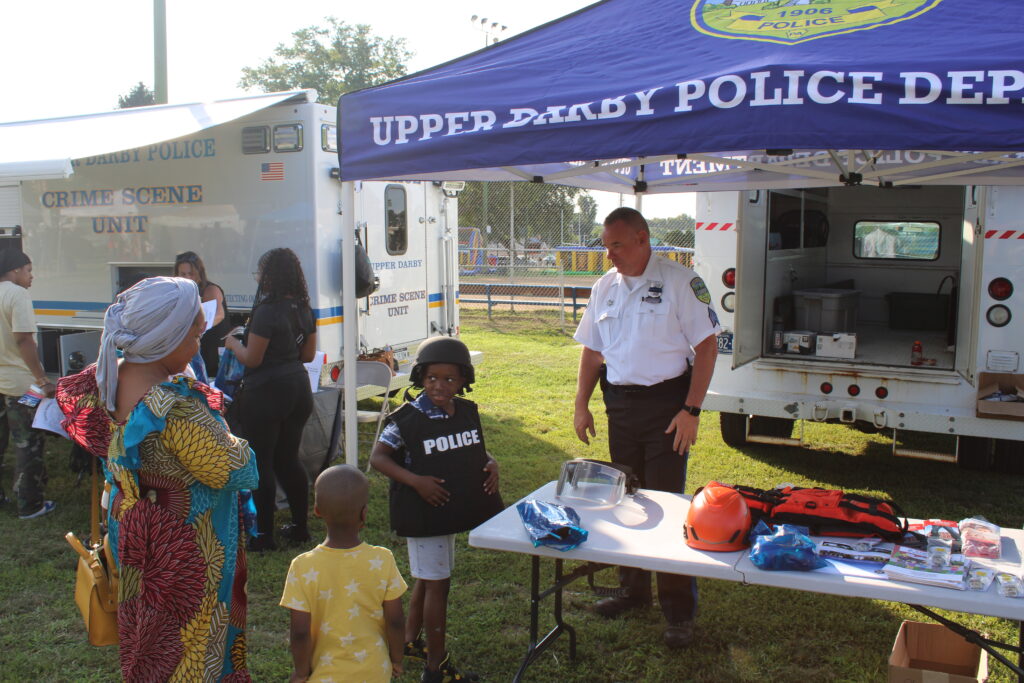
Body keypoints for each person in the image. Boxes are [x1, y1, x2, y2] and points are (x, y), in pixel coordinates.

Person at [55, 276, 259, 681]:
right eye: (196, 334)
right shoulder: (176, 406)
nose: (200, 342)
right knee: (191, 648)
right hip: (185, 551)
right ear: (168, 339)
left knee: (149, 644)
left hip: (133, 535)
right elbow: (239, 468)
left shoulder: (104, 381)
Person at [572, 207, 720, 649]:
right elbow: (592, 354)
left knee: (669, 504)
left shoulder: (679, 282)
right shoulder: (605, 287)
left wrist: (691, 410)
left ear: (642, 238)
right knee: (625, 500)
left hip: (666, 408)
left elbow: (708, 347)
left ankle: (678, 610)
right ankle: (632, 591)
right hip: (620, 406)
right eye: (606, 245)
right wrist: (581, 405)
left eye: (616, 245)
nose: (609, 254)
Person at [369, 336, 501, 683]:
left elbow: (470, 450)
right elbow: (378, 458)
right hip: (424, 513)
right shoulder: (407, 420)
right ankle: (435, 667)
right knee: (438, 585)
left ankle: (411, 641)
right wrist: (415, 481)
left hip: (448, 510)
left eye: (449, 379)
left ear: (463, 381)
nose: (439, 386)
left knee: (429, 581)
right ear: (420, 378)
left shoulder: (465, 411)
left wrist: (491, 463)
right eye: (431, 378)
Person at [224, 247, 316, 551]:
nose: (258, 279)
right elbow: (308, 355)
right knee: (289, 459)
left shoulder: (266, 311)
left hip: (266, 392)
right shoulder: (303, 308)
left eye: (260, 272)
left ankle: (264, 536)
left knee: (261, 461)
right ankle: (300, 527)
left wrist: (232, 343)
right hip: (298, 388)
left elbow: (252, 358)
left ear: (270, 275)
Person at [280, 464, 407, 682]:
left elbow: (300, 632)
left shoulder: (302, 566)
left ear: (317, 510)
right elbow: (395, 620)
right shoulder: (382, 559)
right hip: (375, 671)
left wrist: (301, 673)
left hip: (325, 675)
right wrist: (396, 659)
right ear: (364, 512)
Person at [0, 249, 55, 519]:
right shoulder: (17, 294)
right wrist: (42, 379)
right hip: (24, 386)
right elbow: (24, 340)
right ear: (15, 270)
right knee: (27, 443)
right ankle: (30, 505)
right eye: (29, 270)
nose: (31, 276)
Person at [174, 251, 231, 377]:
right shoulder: (178, 292)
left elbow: (219, 314)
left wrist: (200, 327)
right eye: (183, 274)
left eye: (191, 274)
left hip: (211, 348)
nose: (187, 278)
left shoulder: (210, 289)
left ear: (199, 273)